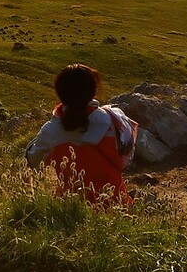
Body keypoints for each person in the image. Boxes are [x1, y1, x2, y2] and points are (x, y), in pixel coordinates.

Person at [25, 64, 137, 205]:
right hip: (117, 204)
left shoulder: (50, 132)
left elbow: (32, 163)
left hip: (74, 208)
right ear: (93, 91)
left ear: (59, 93)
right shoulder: (113, 119)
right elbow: (126, 158)